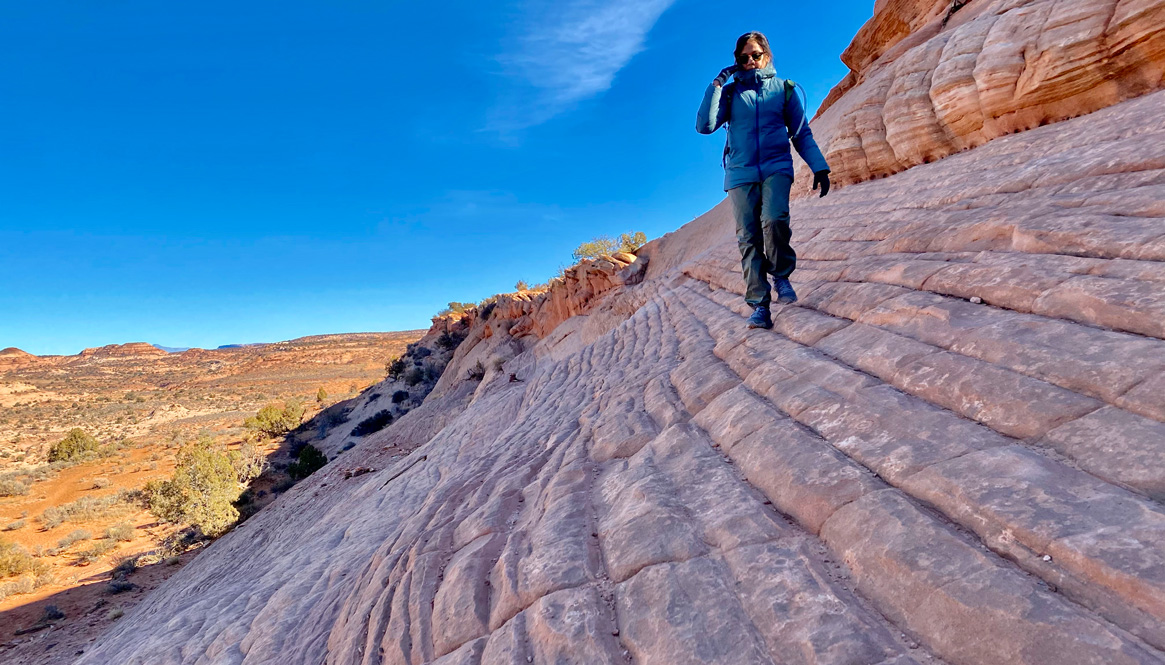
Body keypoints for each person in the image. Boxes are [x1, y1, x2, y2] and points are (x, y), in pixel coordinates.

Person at [696, 31, 832, 329]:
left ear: (766, 56)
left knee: (775, 219)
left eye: (755, 55)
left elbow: (801, 134)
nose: (750, 61)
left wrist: (819, 167)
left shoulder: (784, 90)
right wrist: (717, 84)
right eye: (743, 58)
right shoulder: (731, 94)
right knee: (748, 238)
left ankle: (781, 274)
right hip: (740, 173)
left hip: (776, 167)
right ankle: (759, 306)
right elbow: (704, 126)